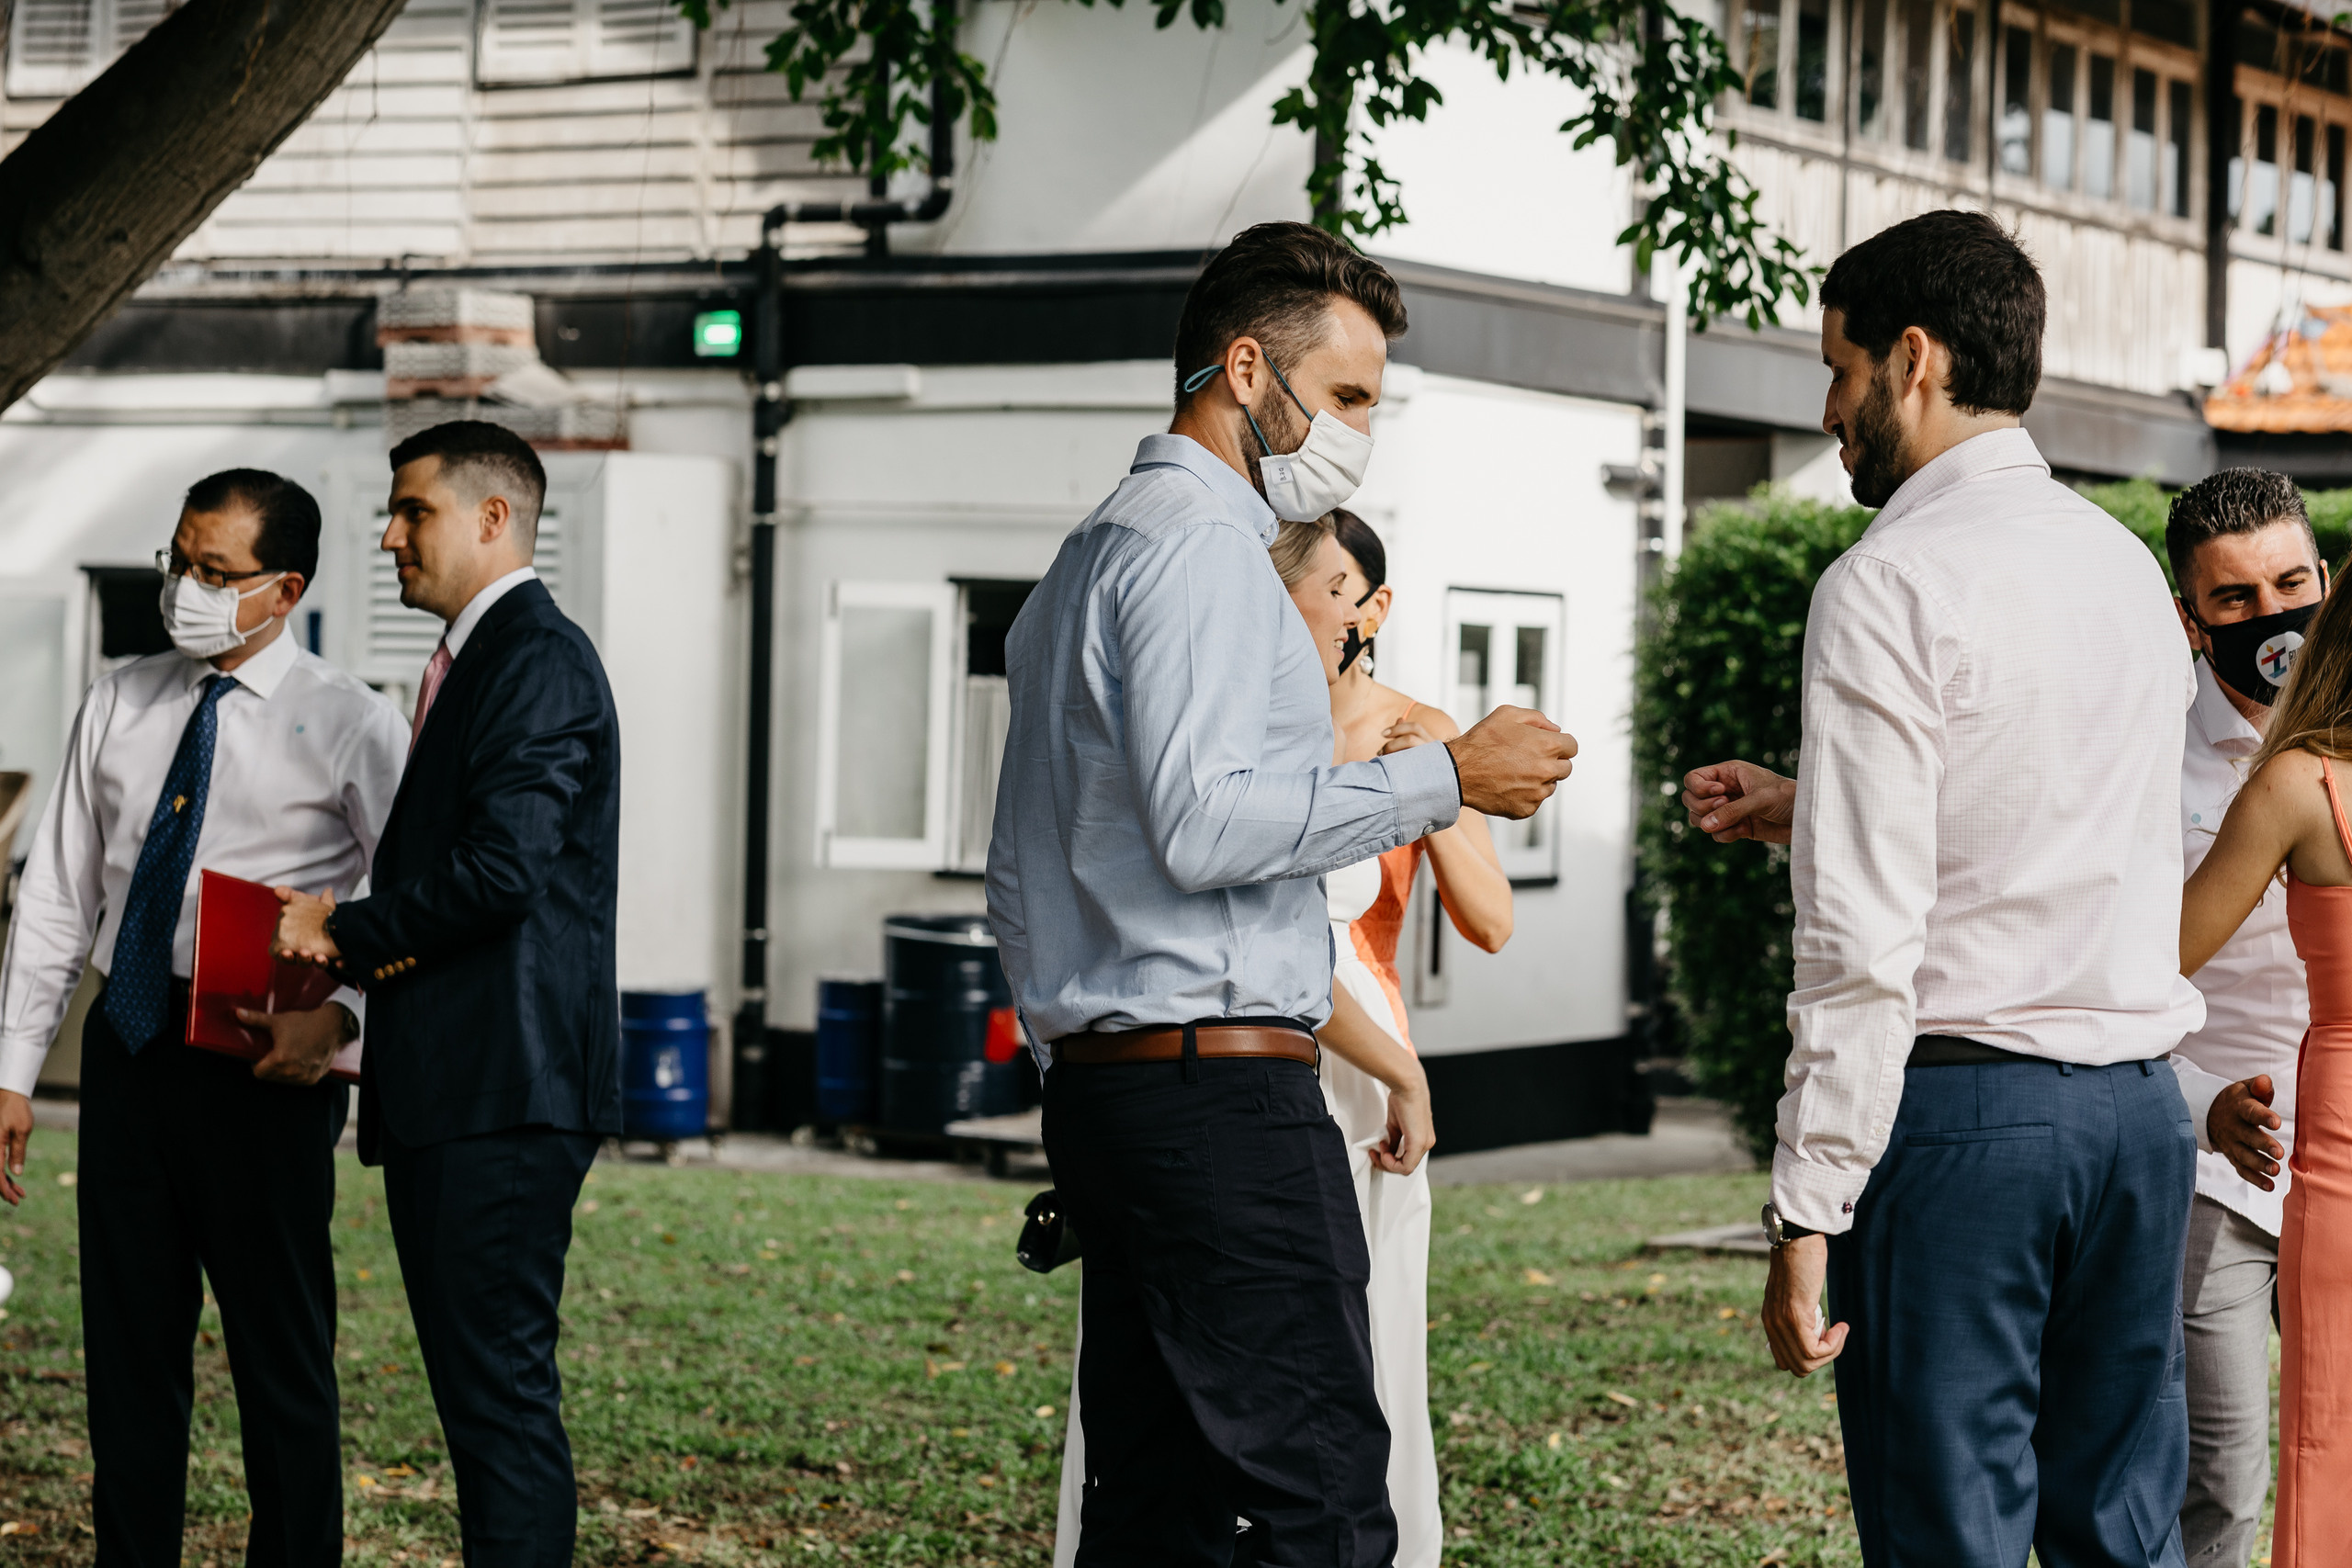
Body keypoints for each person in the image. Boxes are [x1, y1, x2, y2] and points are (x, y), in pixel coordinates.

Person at [989, 220, 1577, 1567]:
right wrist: (1445, 776)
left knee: (1157, 1504)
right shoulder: (1201, 552)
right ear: (1247, 369)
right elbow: (1207, 823)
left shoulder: (1086, 557)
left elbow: (1023, 870)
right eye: (1352, 396)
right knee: (1318, 1498)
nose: (1363, 431)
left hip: (1115, 1087)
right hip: (1217, 1097)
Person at [1677, 210, 2203, 1564]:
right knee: (2121, 1532)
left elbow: (1861, 938)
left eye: (1838, 370)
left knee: (1948, 1533)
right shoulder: (2126, 567)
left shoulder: (1887, 580)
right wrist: (1813, 806)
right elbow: (2073, 820)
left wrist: (1806, 1204)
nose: (1833, 408)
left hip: (1969, 1122)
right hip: (2141, 1120)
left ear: (1912, 358)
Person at [1048, 510, 1515, 1568]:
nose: (1314, 608)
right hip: (1255, 1043)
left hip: (1366, 1071)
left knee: (1359, 1330)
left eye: (1337, 588)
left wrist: (1437, 783)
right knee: (1221, 1328)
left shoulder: (1421, 726)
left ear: (1374, 610)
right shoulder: (1247, 733)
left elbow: (1489, 922)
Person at [0, 468, 407, 1567]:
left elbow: (407, 903)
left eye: (216, 572)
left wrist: (347, 1024)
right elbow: (58, 894)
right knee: (129, 1360)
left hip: (264, 1068)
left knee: (281, 1362)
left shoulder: (352, 722)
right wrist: (14, 1072)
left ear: (285, 589)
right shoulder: (121, 698)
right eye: (178, 561)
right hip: (130, 1052)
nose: (186, 586)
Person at [272, 421, 622, 1565]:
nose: (386, 537)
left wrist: (339, 931)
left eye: (411, 511)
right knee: (483, 1408)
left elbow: (500, 873)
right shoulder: (482, 661)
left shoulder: (535, 658)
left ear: (491, 518)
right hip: (465, 1087)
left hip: (503, 1093)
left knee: (500, 1407)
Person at [2162, 469, 2326, 1566]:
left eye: (2293, 584)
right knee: (2215, 1486)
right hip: (2212, 1172)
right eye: (2235, 602)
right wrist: (2194, 1106)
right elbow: (2104, 978)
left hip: (2347, 1163)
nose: (2274, 620)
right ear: (2189, 622)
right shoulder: (2138, 767)